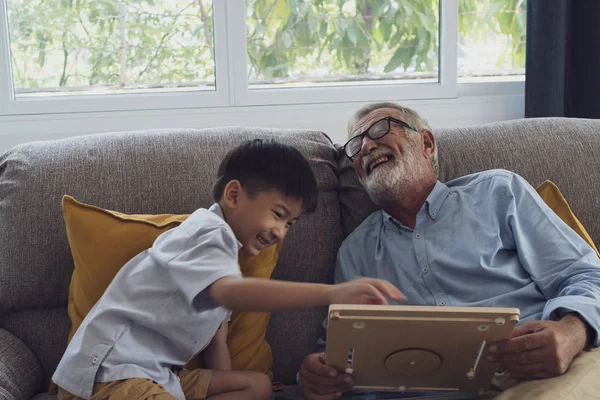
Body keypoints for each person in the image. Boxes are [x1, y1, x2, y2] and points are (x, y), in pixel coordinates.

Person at [52, 139, 404, 400]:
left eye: (290, 224)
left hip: (156, 375)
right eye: (278, 214)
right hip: (109, 373)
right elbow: (230, 292)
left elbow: (218, 341)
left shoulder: (222, 262)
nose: (280, 232)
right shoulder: (207, 233)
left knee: (257, 385)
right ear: (234, 196)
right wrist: (333, 292)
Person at [299, 103, 600, 400]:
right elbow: (339, 348)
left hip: (537, 372)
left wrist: (572, 332)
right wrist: (317, 374)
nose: (365, 146)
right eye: (354, 145)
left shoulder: (499, 193)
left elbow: (585, 274)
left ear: (426, 144)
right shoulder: (355, 250)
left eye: (379, 129)